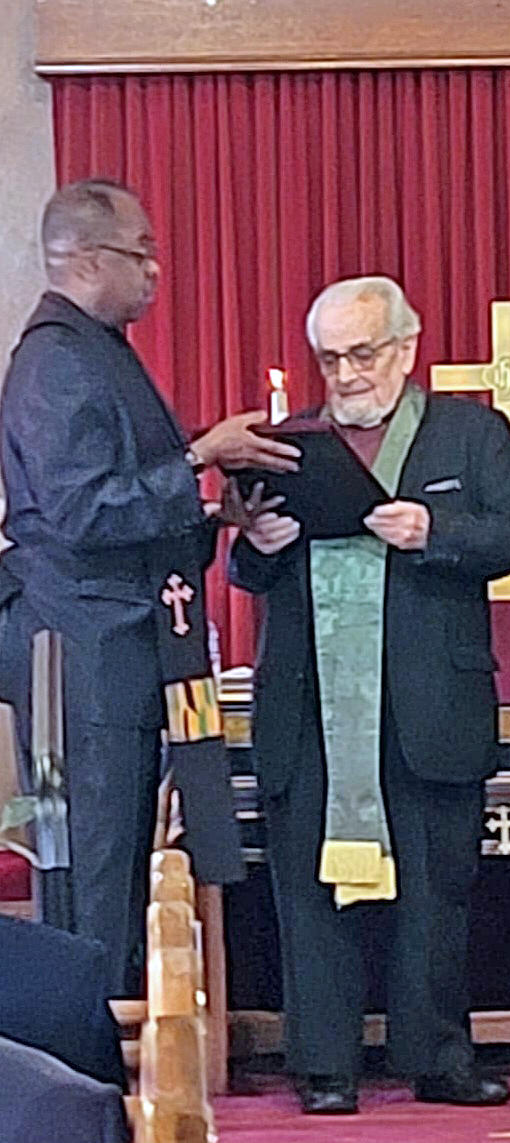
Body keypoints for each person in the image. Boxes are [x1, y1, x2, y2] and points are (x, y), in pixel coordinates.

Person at [229, 275, 510, 1114]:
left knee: (437, 888)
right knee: (309, 890)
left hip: (429, 704)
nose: (346, 374)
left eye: (362, 353)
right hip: (311, 707)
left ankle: (437, 1056)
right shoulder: (289, 444)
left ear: (406, 348)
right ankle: (324, 1065)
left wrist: (435, 531)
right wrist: (259, 541)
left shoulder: (471, 436)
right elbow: (244, 568)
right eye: (330, 358)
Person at [0, 178, 300, 995]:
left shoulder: (99, 350)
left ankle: (124, 1038)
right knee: (94, 871)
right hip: (83, 655)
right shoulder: (55, 362)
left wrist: (215, 515)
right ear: (89, 260)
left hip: (128, 644)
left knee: (133, 862)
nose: (157, 270)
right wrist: (201, 455)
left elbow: (127, 512)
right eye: (144, 253)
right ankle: (82, 1065)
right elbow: (81, 513)